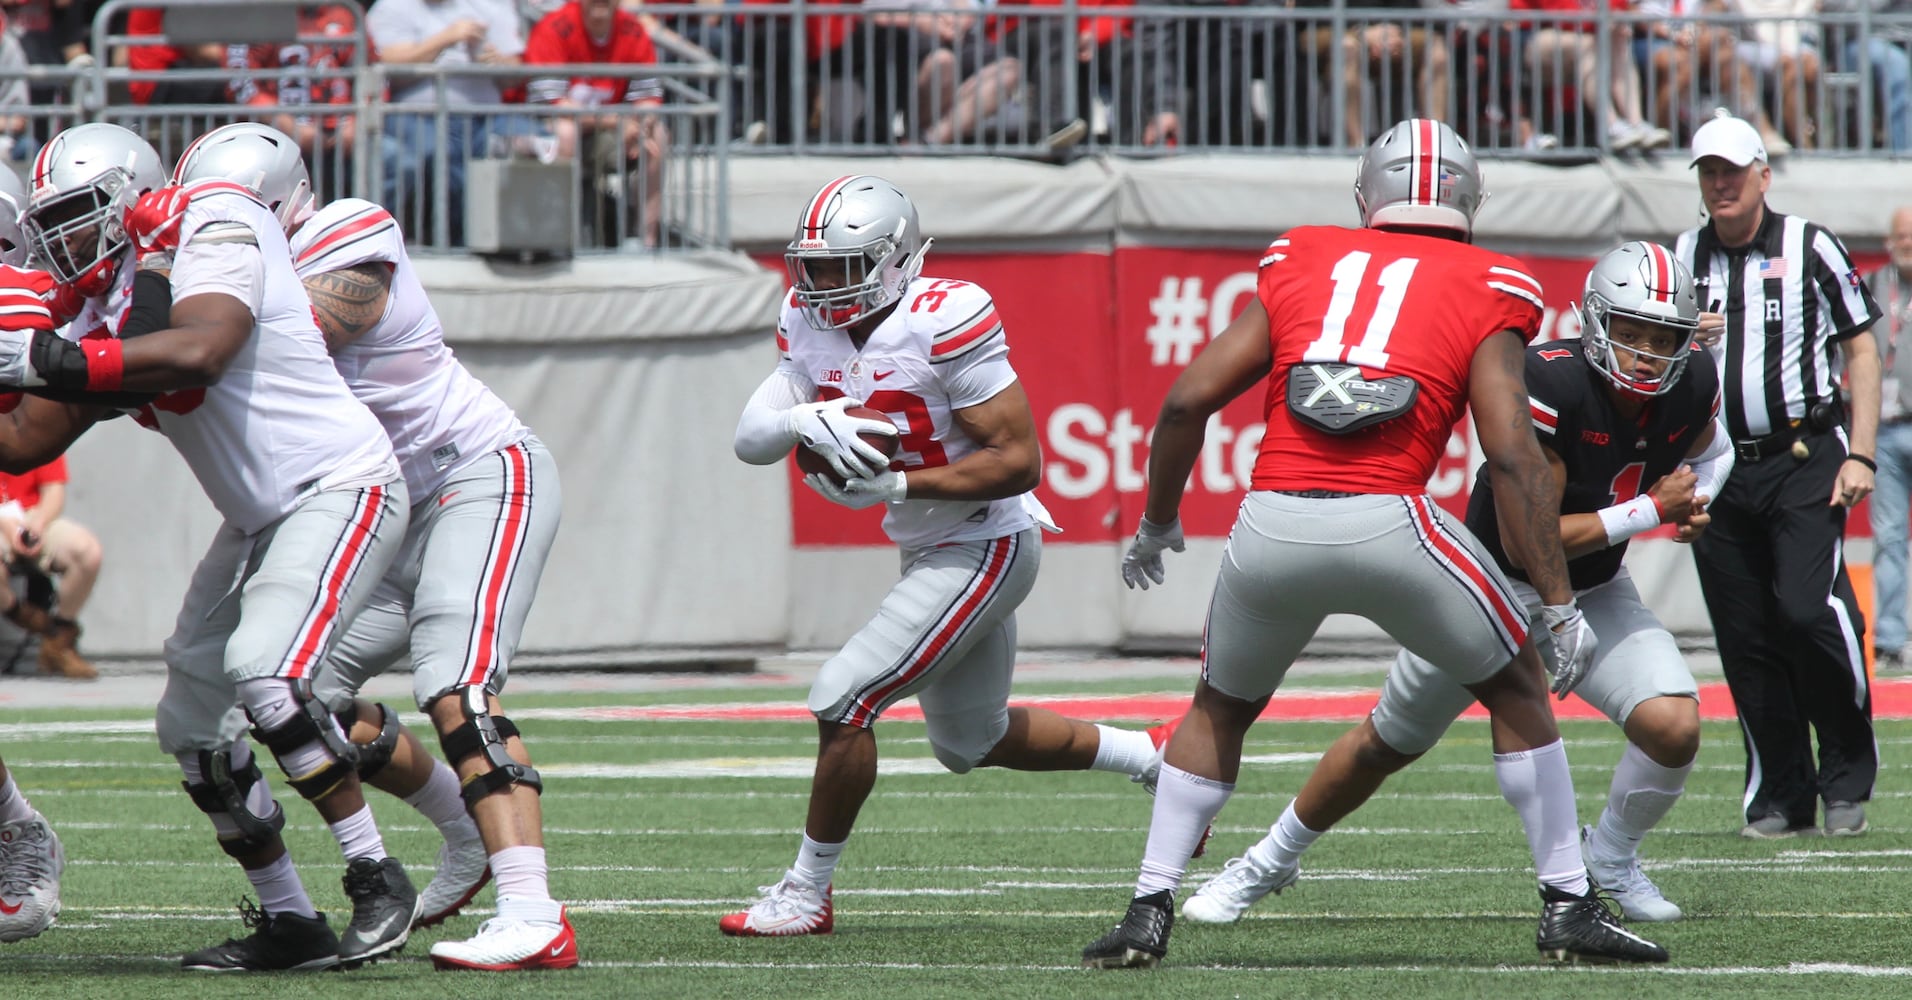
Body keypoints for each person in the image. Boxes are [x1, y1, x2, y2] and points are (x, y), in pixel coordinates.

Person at [1080, 119, 1668, 970]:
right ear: (1471, 198)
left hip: (1273, 517)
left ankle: (1147, 907)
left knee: (1219, 709)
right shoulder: (1494, 280)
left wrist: (1159, 519)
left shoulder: (1300, 257)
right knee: (1515, 686)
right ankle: (1570, 906)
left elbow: (1184, 403)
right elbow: (1509, 453)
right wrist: (1559, 601)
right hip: (1391, 518)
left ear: (1366, 195)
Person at [1183, 242, 1732, 927]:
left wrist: (1700, 497)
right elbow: (1527, 541)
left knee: (1674, 725)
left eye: (1662, 338)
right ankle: (1266, 861)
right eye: (1631, 333)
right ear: (1595, 323)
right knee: (1385, 743)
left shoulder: (1693, 381)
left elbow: (1715, 447)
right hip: (1486, 591)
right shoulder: (1551, 380)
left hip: (1592, 588)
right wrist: (1655, 509)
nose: (1646, 353)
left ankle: (1611, 857)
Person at [724, 173, 1179, 937]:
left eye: (843, 267)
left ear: (896, 260)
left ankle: (806, 893)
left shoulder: (945, 317)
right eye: (814, 268)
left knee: (843, 699)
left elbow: (1021, 460)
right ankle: (1155, 759)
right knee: (972, 740)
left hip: (985, 539)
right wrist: (804, 414)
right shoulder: (805, 320)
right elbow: (750, 439)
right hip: (931, 548)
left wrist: (897, 484)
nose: (823, 286)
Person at [8, 123, 417, 970]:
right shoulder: (109, 300)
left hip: (340, 484)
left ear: (129, 197)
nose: (62, 238)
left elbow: (202, 350)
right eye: (49, 219)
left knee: (267, 673)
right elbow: (24, 442)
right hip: (261, 519)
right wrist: (31, 365)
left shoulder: (215, 219)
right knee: (192, 724)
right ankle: (290, 920)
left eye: (79, 214)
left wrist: (43, 354)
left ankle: (378, 877)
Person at [173, 121, 573, 970]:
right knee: (290, 696)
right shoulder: (230, 264)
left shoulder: (347, 229)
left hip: (471, 476)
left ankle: (536, 915)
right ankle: (459, 823)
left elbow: (289, 335)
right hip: (371, 509)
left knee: (452, 682)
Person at [1677, 113, 1883, 838]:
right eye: (1708, 171)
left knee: (1806, 612)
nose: (1720, 183)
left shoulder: (1810, 246)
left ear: (1764, 175)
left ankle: (1847, 774)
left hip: (1803, 458)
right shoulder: (1682, 256)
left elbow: (1862, 347)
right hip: (1718, 467)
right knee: (1746, 636)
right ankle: (1781, 795)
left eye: (1733, 170)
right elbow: (1663, 370)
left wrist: (1860, 452)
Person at [524, 0, 670, 248]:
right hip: (550, 131)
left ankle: (644, 240)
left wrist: (640, 127)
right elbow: (551, 103)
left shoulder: (632, 29)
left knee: (658, 136)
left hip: (613, 132)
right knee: (565, 132)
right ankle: (559, 239)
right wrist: (617, 122)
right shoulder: (555, 27)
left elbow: (648, 96)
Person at [0, 455, 104, 679]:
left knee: (87, 551)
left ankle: (59, 640)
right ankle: (31, 619)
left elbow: (53, 491)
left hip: (32, 515)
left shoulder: (34, 424)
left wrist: (38, 523)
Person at [1868, 206, 1912, 667]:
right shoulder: (1875, 286)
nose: (1907, 244)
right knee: (1890, 536)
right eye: (1901, 236)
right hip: (1885, 428)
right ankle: (1891, 641)